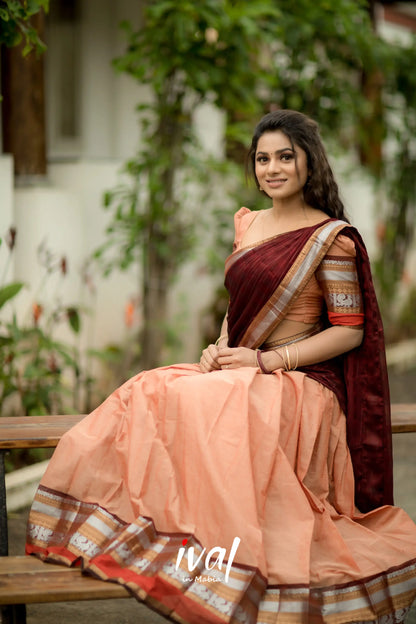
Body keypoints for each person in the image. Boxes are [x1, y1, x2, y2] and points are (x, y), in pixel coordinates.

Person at [26, 110, 416, 624]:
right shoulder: (248, 223)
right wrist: (218, 346)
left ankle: (224, 570)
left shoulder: (330, 238)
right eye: (262, 158)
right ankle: (159, 544)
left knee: (220, 406)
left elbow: (350, 331)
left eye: (284, 157)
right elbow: (238, 309)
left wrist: (267, 360)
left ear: (308, 164)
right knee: (150, 389)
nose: (272, 168)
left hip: (300, 381)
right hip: (242, 365)